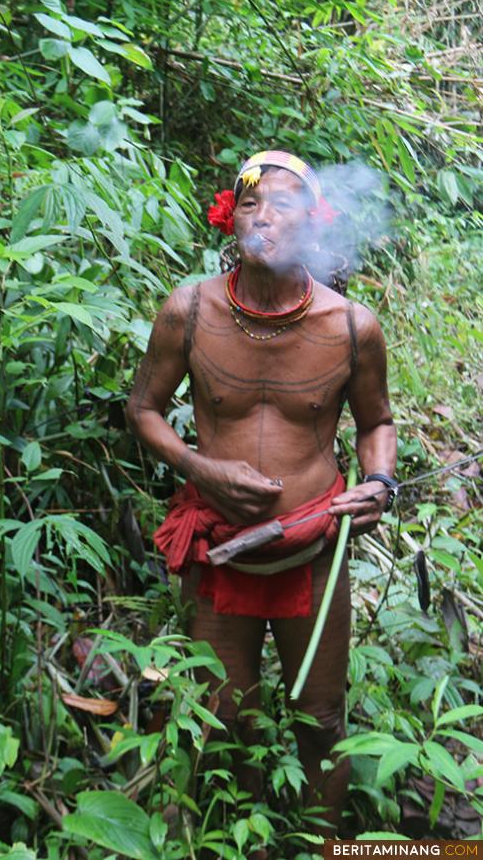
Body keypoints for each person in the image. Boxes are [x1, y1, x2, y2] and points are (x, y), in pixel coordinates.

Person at [125, 150, 397, 835]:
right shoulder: (187, 311)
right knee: (225, 720)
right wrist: (203, 469)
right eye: (251, 202)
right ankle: (229, 844)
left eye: (283, 203)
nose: (265, 214)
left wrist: (379, 483)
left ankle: (321, 843)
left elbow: (377, 423)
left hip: (314, 552)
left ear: (315, 226)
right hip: (222, 555)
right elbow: (144, 410)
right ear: (228, 216)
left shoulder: (350, 327)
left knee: (323, 720)